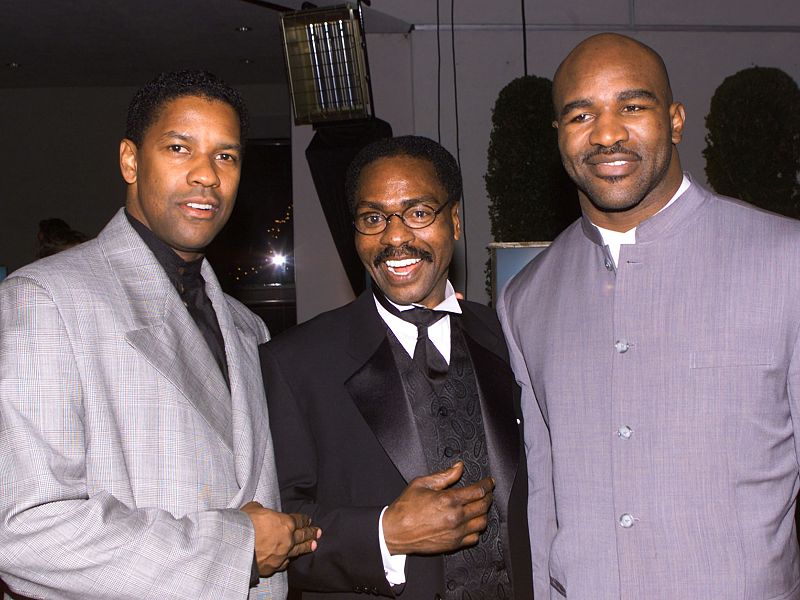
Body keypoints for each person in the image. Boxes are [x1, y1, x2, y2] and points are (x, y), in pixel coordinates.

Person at [498, 32, 800, 599]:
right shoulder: (526, 298)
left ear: (676, 120)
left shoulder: (787, 260)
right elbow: (543, 498)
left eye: (632, 106)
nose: (607, 132)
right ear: (559, 137)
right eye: (580, 114)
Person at [0, 70, 319, 600]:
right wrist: (235, 548)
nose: (207, 175)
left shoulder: (247, 327)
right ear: (130, 160)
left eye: (226, 156)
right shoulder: (44, 299)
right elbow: (27, 529)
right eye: (179, 148)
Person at [261, 136, 532, 599]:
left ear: (455, 221)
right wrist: (386, 534)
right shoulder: (295, 362)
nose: (395, 236)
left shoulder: (512, 338)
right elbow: (276, 526)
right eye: (373, 218)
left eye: (419, 212)